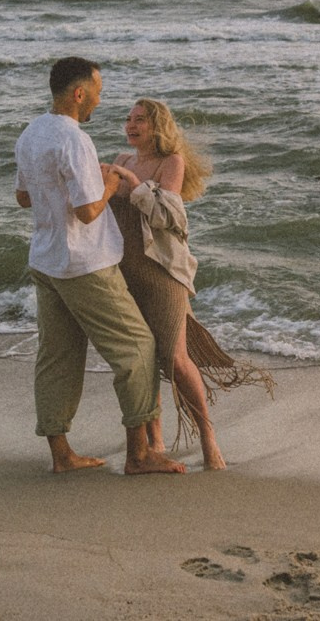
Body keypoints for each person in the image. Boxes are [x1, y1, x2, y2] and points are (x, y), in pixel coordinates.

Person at [14, 56, 184, 476]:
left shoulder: (31, 133)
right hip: (85, 264)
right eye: (98, 92)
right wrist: (109, 180)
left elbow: (23, 197)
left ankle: (61, 454)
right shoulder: (74, 139)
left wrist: (67, 187)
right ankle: (140, 454)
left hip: (46, 259)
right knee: (137, 350)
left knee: (57, 355)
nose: (100, 100)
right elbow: (89, 211)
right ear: (78, 93)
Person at [103, 97, 232, 469]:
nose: (131, 125)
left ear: (157, 126)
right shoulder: (123, 159)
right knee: (143, 358)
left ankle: (208, 437)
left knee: (175, 358)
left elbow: (165, 215)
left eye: (140, 120)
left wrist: (128, 181)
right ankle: (153, 440)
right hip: (124, 269)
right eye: (128, 118)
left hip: (161, 273)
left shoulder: (170, 162)